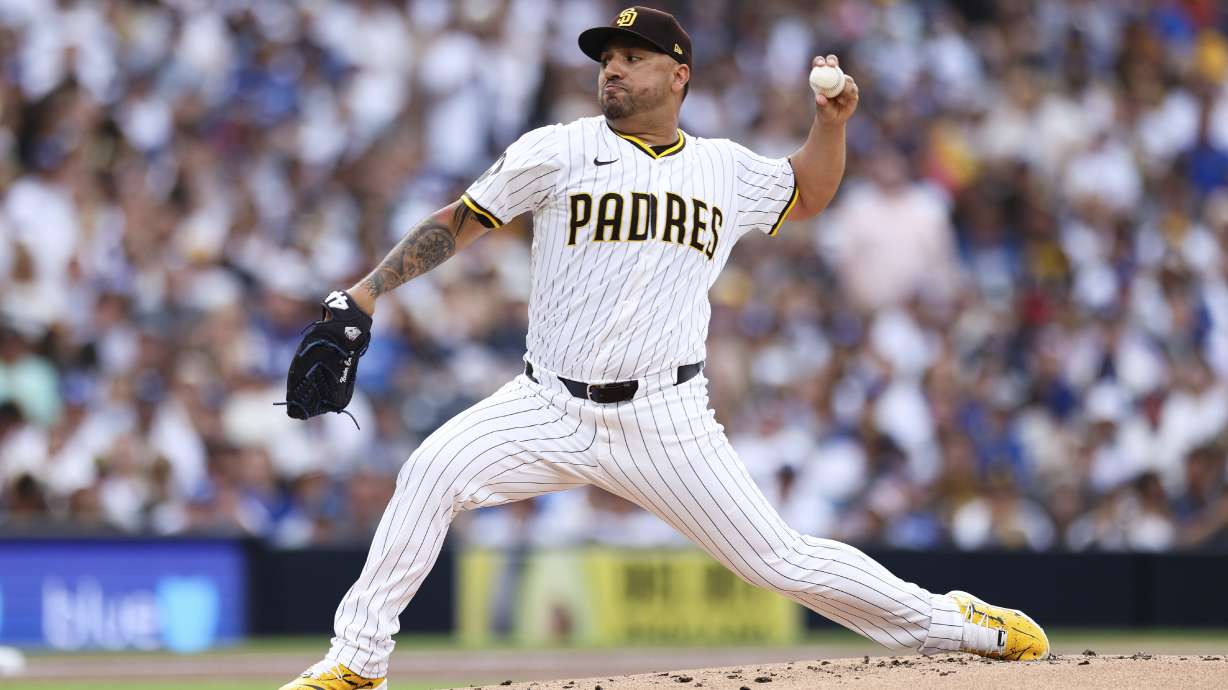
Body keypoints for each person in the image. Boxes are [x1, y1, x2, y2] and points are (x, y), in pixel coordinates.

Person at [281, 7, 1048, 689]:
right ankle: (357, 663)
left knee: (778, 562)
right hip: (546, 400)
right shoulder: (559, 149)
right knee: (430, 471)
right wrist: (366, 293)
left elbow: (808, 193)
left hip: (665, 417)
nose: (611, 67)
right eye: (606, 57)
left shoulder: (722, 168)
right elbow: (461, 219)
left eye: (632, 56)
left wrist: (832, 124)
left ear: (677, 75)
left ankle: (956, 624)